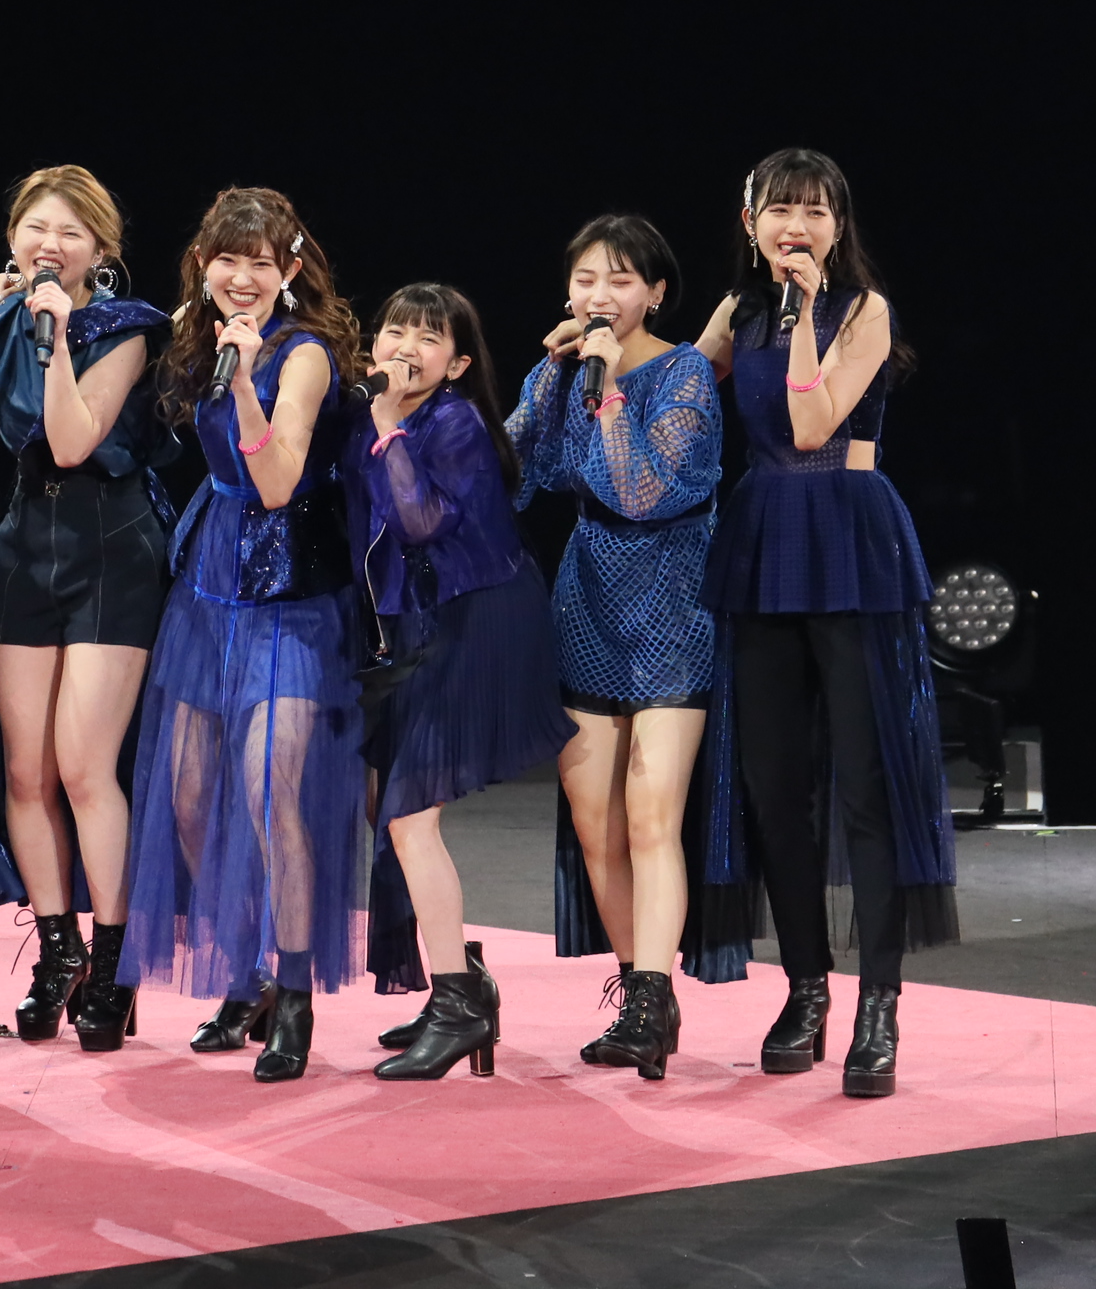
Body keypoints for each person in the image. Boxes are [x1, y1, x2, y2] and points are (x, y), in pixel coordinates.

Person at [692, 148, 954, 1098]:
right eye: (779, 209)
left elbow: (812, 426)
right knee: (774, 788)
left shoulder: (863, 311)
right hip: (764, 542)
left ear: (838, 226)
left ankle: (879, 999)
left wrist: (804, 316)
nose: (794, 226)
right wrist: (602, 347)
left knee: (866, 787)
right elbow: (680, 397)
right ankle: (806, 988)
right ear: (750, 220)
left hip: (849, 539)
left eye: (814, 210)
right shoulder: (737, 312)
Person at [115, 188, 369, 1082]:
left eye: (261, 261)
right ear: (203, 264)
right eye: (228, 259)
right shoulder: (205, 342)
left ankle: (294, 992)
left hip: (289, 592)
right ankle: (246, 968)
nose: (242, 277)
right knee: (189, 795)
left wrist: (247, 382)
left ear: (289, 270)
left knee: (271, 793)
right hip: (211, 583)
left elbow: (277, 483)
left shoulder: (302, 355)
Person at [0, 165, 176, 1052]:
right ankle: (57, 950)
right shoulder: (3, 313)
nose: (50, 244)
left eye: (71, 232)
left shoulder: (127, 327)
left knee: (83, 768)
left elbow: (71, 441)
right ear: (12, 239)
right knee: (27, 774)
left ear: (100, 250)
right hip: (25, 547)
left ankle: (112, 965)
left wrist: (59, 333)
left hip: (113, 548)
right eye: (36, 227)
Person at [507, 214, 721, 1079]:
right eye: (587, 279)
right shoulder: (565, 369)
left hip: (673, 604)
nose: (601, 295)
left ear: (656, 293)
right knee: (597, 824)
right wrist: (547, 379)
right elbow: (510, 473)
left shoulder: (686, 373)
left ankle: (654, 994)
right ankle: (640, 1000)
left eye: (621, 280)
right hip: (587, 602)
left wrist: (605, 389)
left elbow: (639, 489)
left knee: (651, 811)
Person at [345, 283, 573, 1080]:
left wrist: (384, 427)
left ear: (458, 364)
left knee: (409, 816)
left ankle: (458, 1006)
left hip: (479, 620)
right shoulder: (377, 414)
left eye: (428, 337)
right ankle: (464, 983)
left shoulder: (456, 422)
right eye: (395, 330)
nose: (406, 348)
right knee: (391, 811)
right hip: (421, 623)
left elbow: (419, 522)